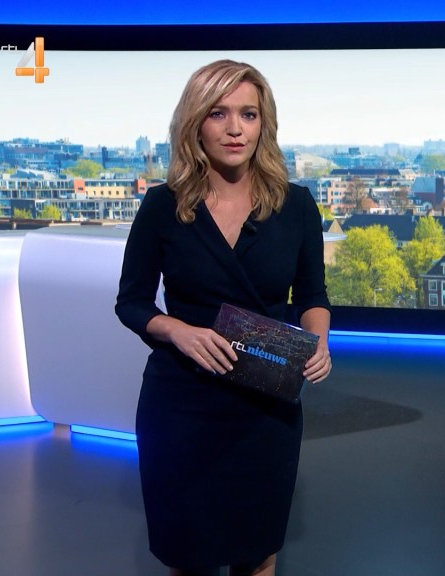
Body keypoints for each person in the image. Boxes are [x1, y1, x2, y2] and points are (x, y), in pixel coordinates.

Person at [115, 59, 331, 576]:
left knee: (257, 555)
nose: (235, 129)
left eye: (248, 114)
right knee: (188, 556)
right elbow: (132, 302)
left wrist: (318, 340)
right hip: (182, 404)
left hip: (265, 405)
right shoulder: (162, 206)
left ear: (264, 124)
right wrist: (177, 331)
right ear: (195, 123)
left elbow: (312, 295)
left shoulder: (297, 206)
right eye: (219, 113)